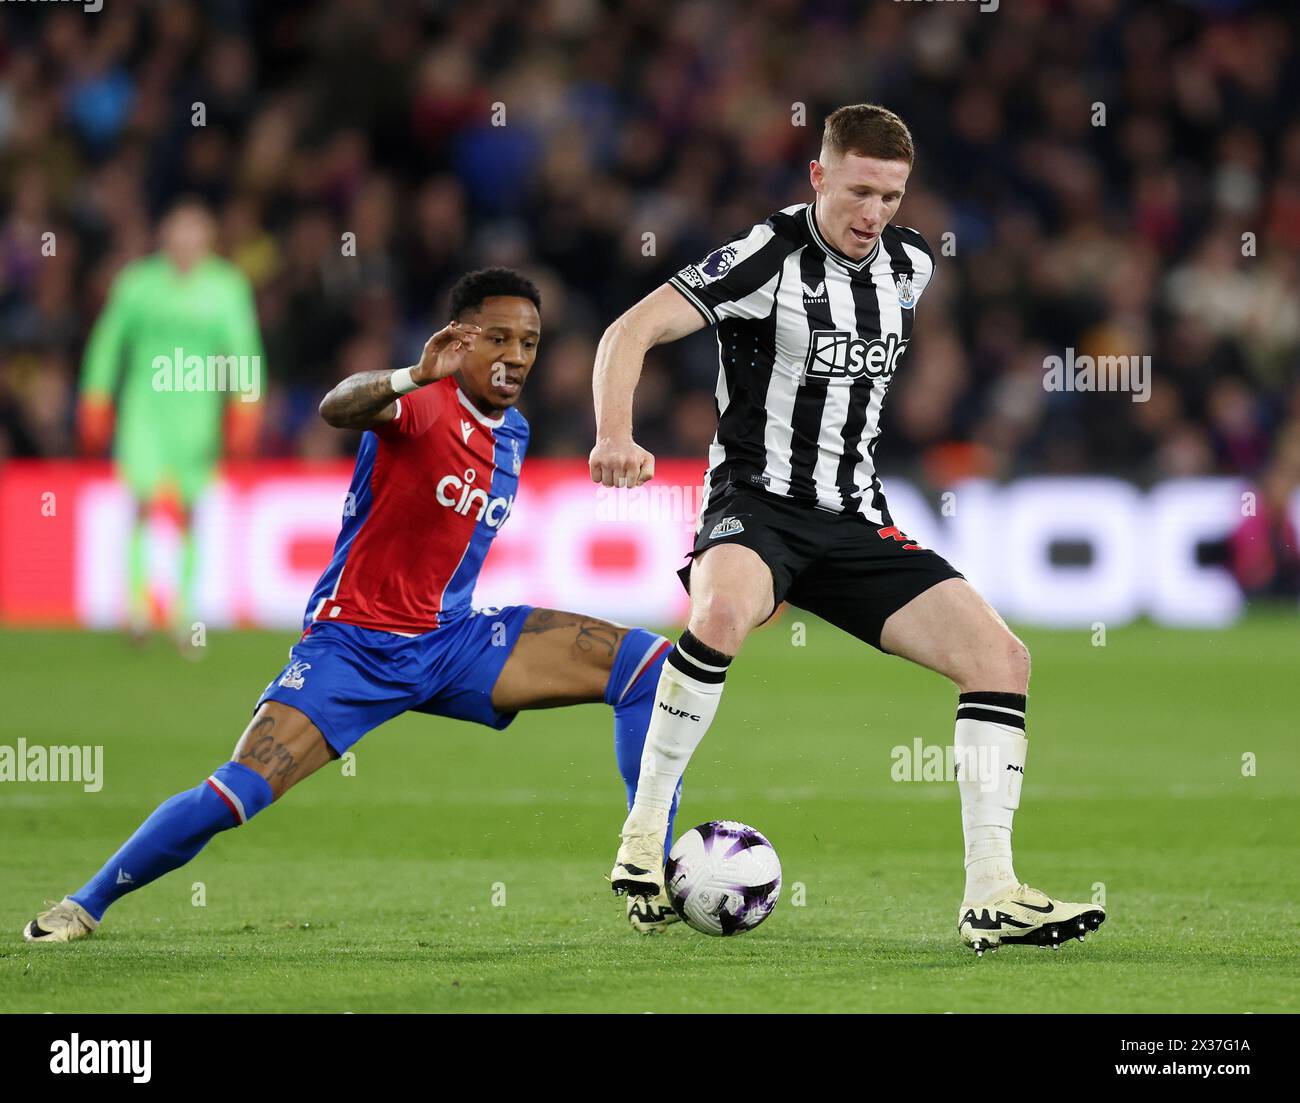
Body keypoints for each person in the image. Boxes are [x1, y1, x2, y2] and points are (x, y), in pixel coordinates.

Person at [25, 268, 682, 944]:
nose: (515, 355)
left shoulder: (513, 432)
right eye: (497, 338)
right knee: (236, 793)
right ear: (459, 338)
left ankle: (646, 864)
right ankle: (85, 903)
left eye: (529, 342)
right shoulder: (422, 402)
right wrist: (409, 374)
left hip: (452, 641)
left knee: (649, 667)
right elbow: (337, 407)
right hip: (354, 648)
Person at [589, 105, 1105, 954]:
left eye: (892, 195)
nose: (874, 213)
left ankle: (992, 891)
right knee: (719, 617)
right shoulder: (764, 256)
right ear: (819, 176)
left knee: (1001, 659)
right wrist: (615, 432)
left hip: (857, 517)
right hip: (756, 504)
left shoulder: (909, 266)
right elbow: (629, 329)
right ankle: (644, 839)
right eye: (859, 190)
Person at [78, 198, 264, 647]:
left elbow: (244, 349)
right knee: (142, 499)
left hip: (198, 411)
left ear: (207, 240)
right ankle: (138, 607)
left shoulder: (226, 287)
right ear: (165, 237)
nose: (185, 243)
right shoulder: (138, 284)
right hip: (145, 408)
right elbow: (108, 340)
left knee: (189, 508)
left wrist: (246, 404)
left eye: (194, 233)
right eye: (178, 233)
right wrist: (96, 395)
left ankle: (183, 610)